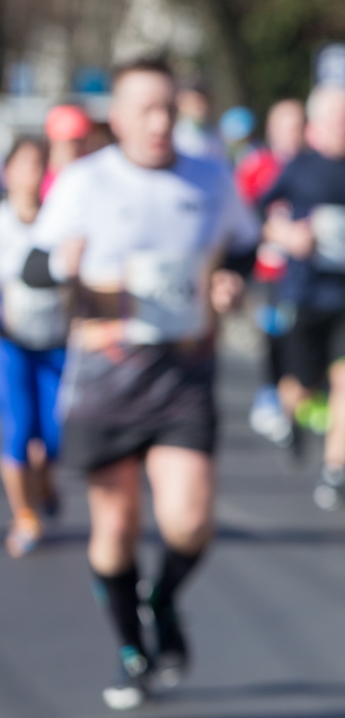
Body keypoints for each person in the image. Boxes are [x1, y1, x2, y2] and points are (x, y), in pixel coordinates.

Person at [23, 58, 257, 709]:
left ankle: (162, 596)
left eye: (169, 109)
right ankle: (134, 651)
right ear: (118, 117)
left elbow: (243, 242)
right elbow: (35, 266)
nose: (159, 123)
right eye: (145, 110)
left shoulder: (210, 178)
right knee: (117, 525)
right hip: (105, 376)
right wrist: (59, 268)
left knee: (188, 521)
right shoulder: (84, 181)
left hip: (183, 371)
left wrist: (230, 278)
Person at [259, 85, 345, 509]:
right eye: (336, 118)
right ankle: (291, 420)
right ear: (316, 125)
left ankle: (335, 470)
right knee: (300, 387)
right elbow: (258, 214)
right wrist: (286, 233)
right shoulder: (298, 168)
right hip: (304, 293)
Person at [0, 138, 69, 557]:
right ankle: (25, 516)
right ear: (8, 172)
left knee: (57, 433)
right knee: (19, 429)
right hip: (11, 344)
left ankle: (45, 482)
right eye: (25, 165)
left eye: (40, 165)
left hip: (56, 341)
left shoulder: (57, 223)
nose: (34, 173)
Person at [236, 99, 306, 446]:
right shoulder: (257, 166)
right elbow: (241, 215)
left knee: (298, 335)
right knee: (273, 332)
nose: (295, 134)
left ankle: (297, 399)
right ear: (273, 130)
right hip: (267, 269)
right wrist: (276, 233)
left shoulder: (311, 164)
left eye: (300, 125)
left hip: (304, 271)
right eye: (288, 126)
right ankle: (269, 394)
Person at [41, 103, 91, 200]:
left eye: (78, 141)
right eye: (67, 141)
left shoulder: (90, 172)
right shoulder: (37, 172)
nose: (73, 147)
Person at [173, 79, 227, 164]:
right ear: (181, 103)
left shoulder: (215, 133)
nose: (201, 106)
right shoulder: (174, 136)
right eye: (195, 101)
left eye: (204, 100)